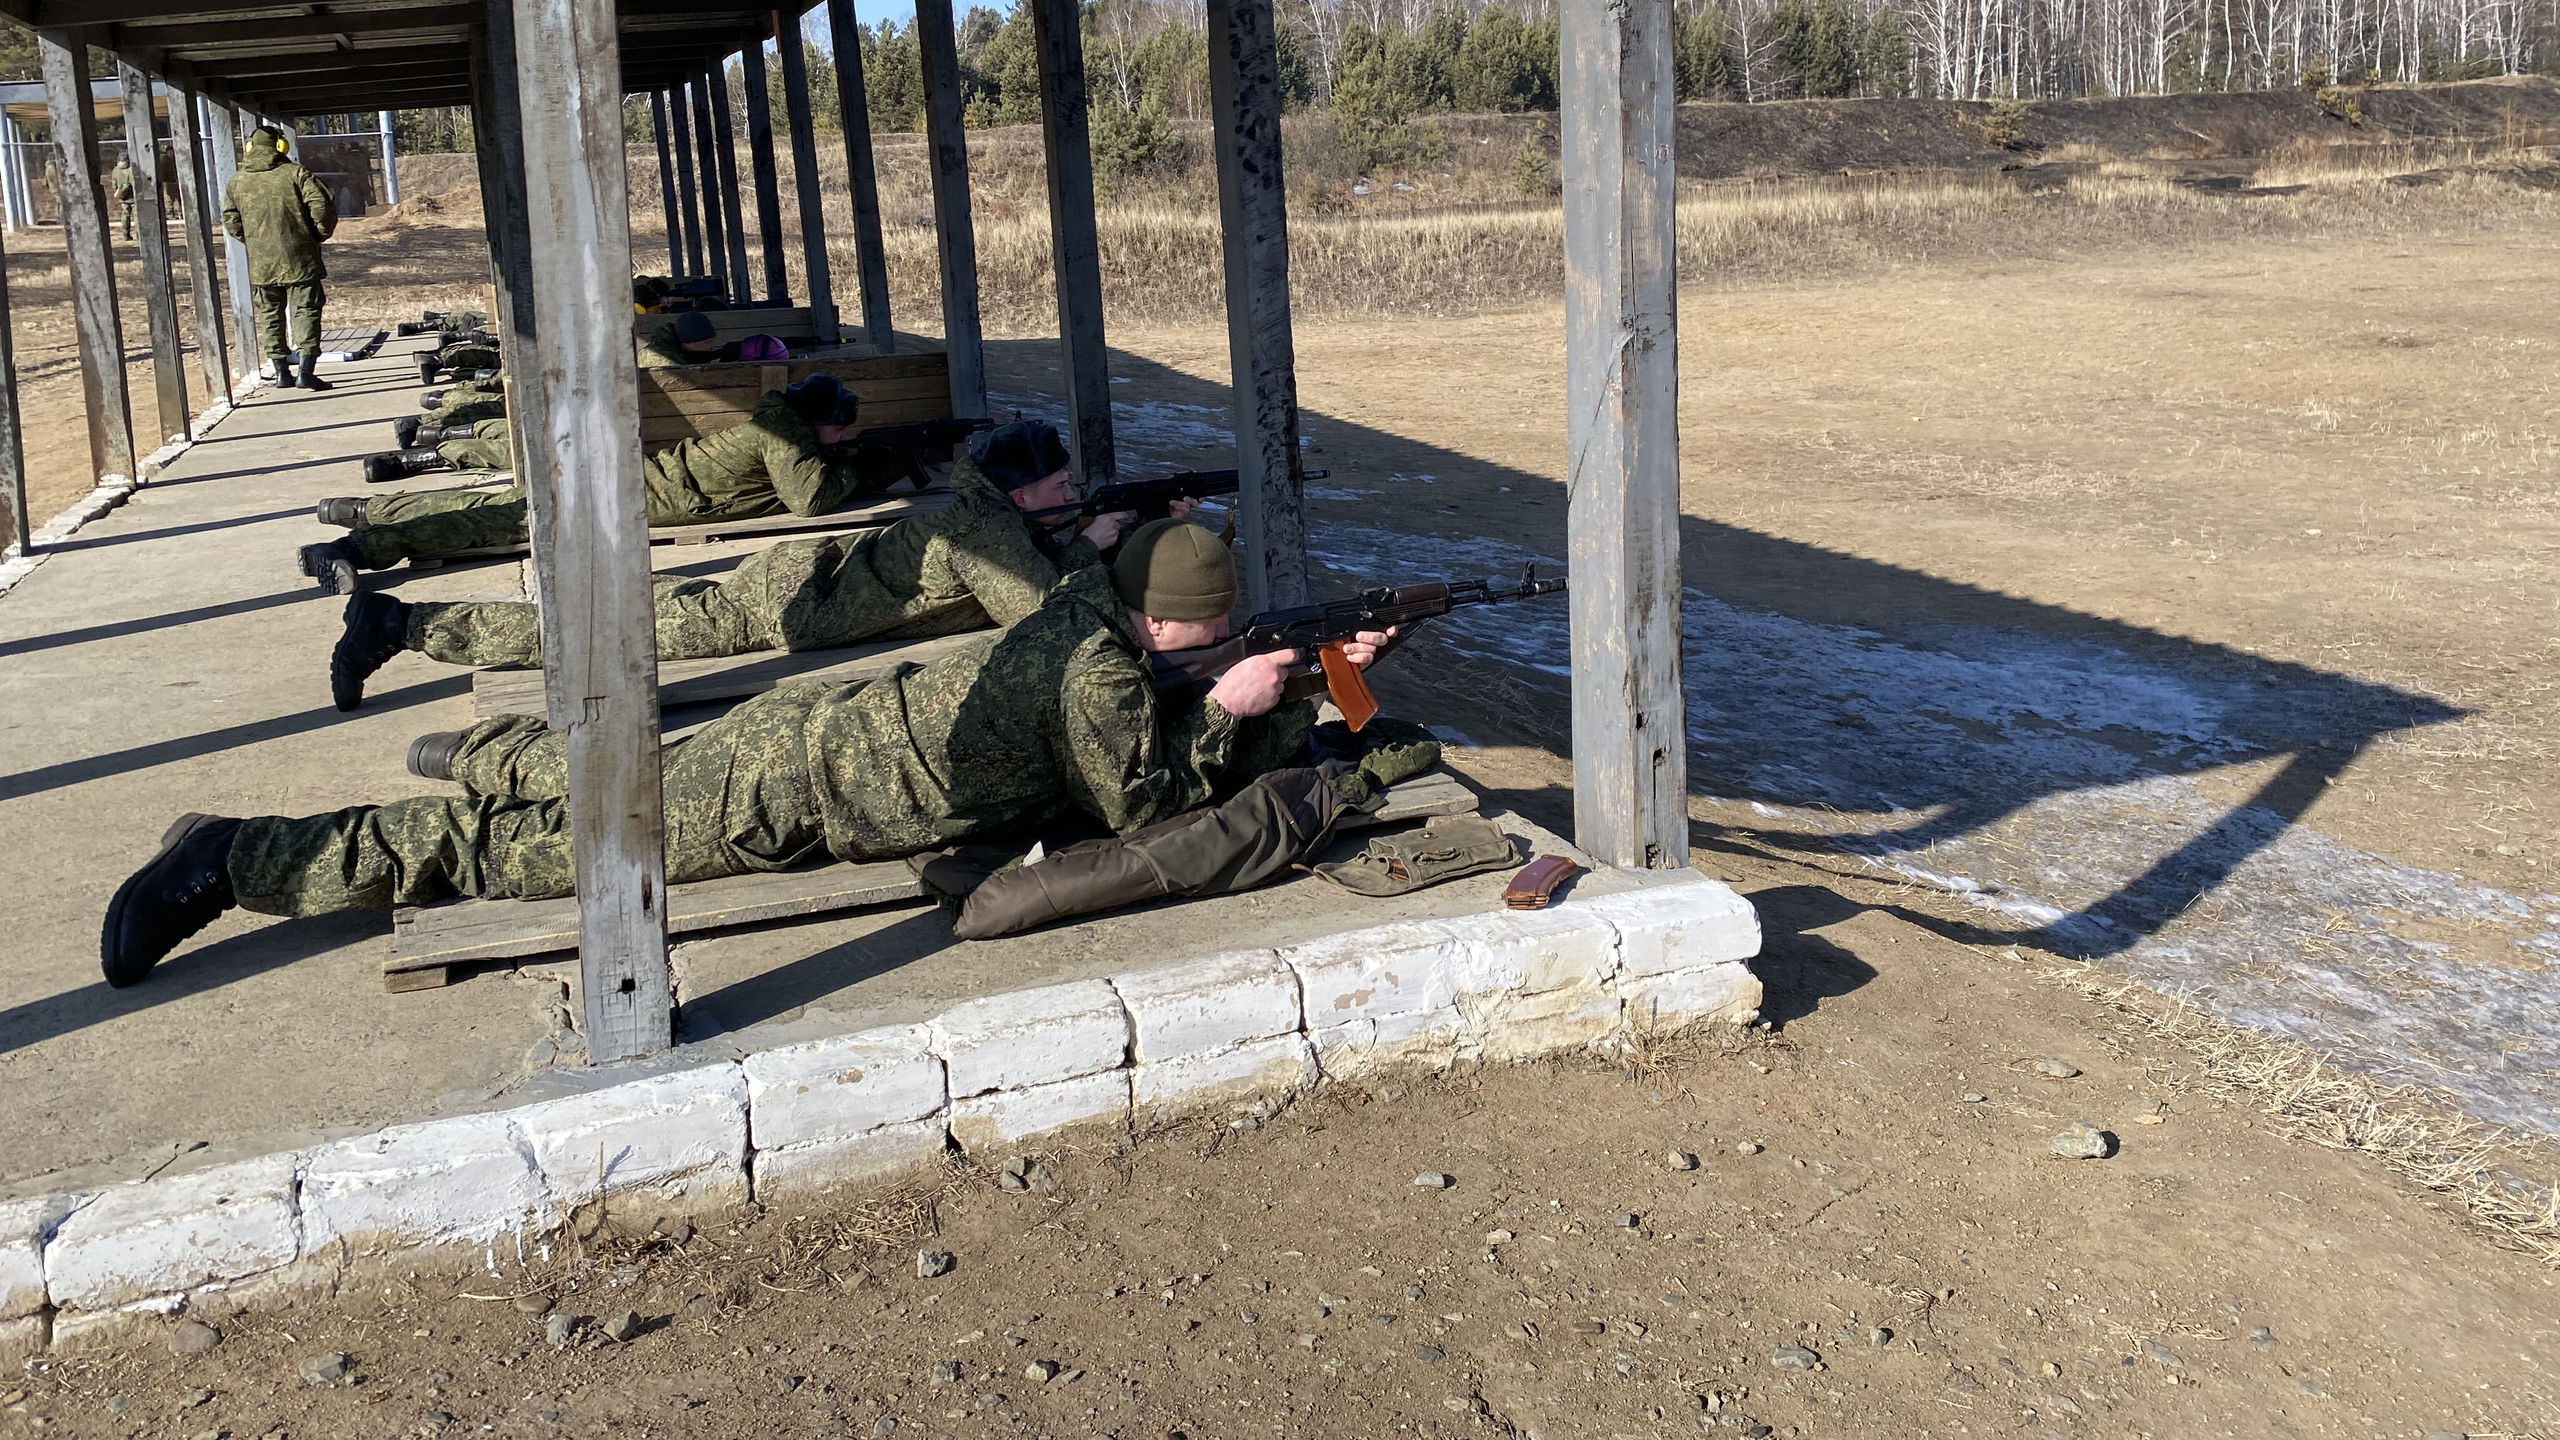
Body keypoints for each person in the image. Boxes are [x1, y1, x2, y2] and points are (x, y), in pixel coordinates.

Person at [100, 522, 1393, 987]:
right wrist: (1238, 705)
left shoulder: (1083, 613)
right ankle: (235, 860)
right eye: (1208, 637)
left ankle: (479, 746)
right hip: (789, 790)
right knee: (535, 863)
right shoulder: (1100, 675)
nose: (1213, 649)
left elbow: (1168, 736)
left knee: (579, 791)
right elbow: (1154, 803)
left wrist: (1314, 681)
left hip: (805, 740)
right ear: (1166, 625)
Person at [324, 421, 1157, 710]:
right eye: (1061, 484)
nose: (1073, 491)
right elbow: (1043, 614)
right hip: (782, 606)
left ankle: (404, 622)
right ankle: (401, 623)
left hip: (802, 584)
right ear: (1021, 497)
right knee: (606, 637)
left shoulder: (994, 518)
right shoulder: (991, 533)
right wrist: (1098, 540)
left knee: (623, 618)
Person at [296, 374, 889, 594]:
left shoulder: (783, 426)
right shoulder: (784, 438)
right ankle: (354, 546)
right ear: (820, 425)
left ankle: (367, 515)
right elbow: (808, 499)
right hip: (625, 496)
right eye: (839, 431)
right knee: (497, 517)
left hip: (630, 486)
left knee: (496, 506)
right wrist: (862, 466)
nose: (840, 438)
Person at [221, 126, 338, 392]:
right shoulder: (296, 173)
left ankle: (281, 372)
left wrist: (254, 241)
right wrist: (317, 234)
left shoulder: (237, 181)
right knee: (306, 308)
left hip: (262, 262)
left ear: (250, 147)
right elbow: (321, 205)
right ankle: (306, 372)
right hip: (300, 256)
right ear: (280, 146)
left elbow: (230, 219)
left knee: (269, 313)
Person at [107, 153, 134, 239]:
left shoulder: (115, 170)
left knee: (125, 215)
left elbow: (114, 185)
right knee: (137, 215)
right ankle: (139, 235)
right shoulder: (131, 168)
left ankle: (125, 235)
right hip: (133, 196)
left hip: (122, 196)